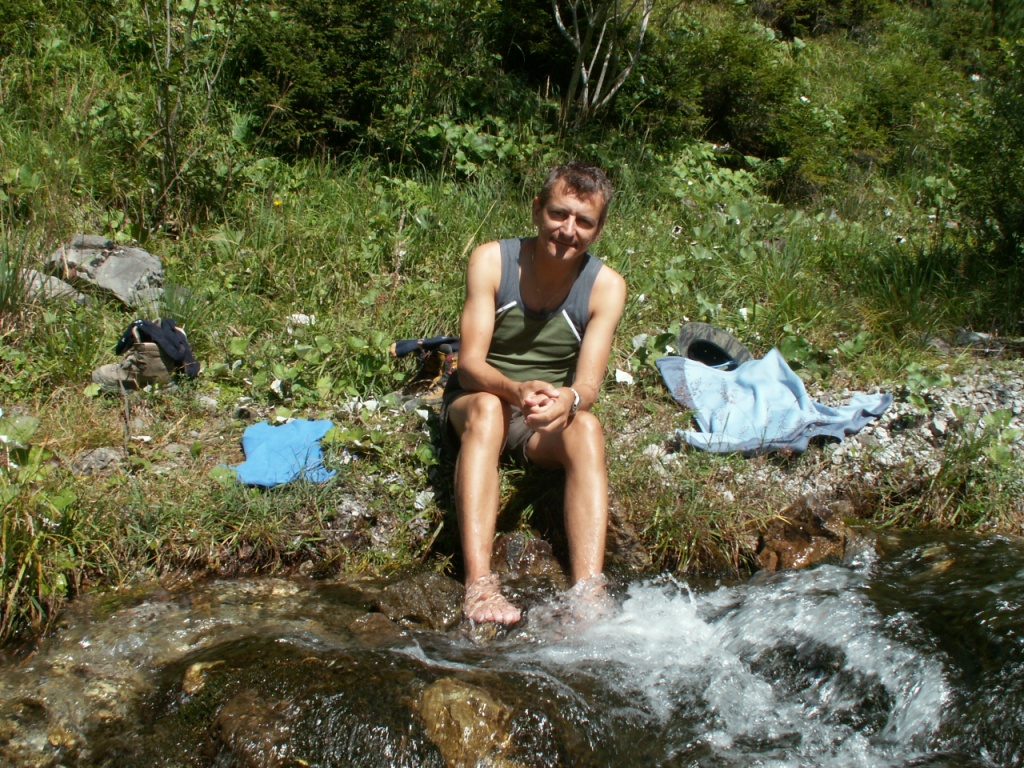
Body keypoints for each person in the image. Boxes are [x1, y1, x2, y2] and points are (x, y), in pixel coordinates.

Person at [442, 162, 627, 625]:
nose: (568, 231)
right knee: (488, 408)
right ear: (536, 210)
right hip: (479, 401)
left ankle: (587, 591)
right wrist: (513, 388)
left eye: (583, 222)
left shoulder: (606, 287)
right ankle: (480, 587)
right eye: (559, 214)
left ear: (598, 229)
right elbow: (468, 368)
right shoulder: (492, 260)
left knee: (587, 429)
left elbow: (588, 385)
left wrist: (569, 401)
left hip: (540, 418)